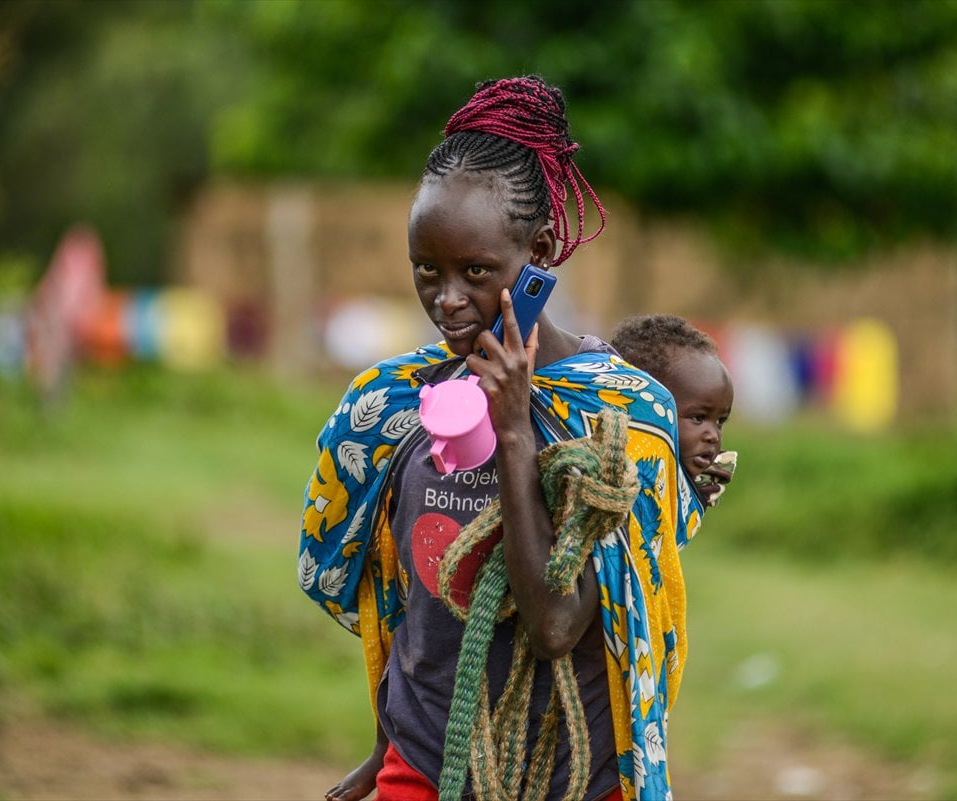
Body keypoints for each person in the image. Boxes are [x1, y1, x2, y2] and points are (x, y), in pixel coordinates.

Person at [300, 76, 702, 801]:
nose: (448, 299)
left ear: (541, 251)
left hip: (576, 777)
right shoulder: (392, 409)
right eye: (428, 270)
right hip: (427, 768)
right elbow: (403, 609)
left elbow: (555, 624)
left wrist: (514, 428)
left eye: (476, 271)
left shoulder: (617, 418)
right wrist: (384, 747)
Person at [610, 315, 736, 509]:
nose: (713, 436)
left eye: (720, 421)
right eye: (698, 418)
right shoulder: (607, 476)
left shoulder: (697, 491)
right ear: (642, 407)